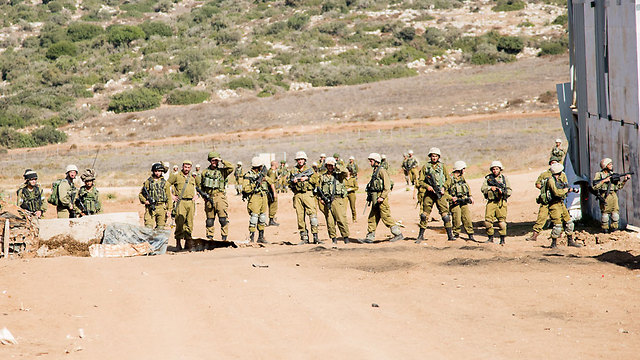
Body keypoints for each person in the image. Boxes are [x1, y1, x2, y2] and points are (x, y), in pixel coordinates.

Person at [362, 153, 403, 243]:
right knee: (372, 217)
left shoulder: (381, 171)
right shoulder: (375, 170)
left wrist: (382, 197)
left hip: (381, 198)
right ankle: (370, 237)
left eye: (371, 161)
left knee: (385, 216)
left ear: (376, 161)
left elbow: (387, 186)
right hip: (375, 198)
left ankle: (398, 234)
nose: (370, 163)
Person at [416, 147, 453, 243]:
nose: (434, 158)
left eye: (436, 156)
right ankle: (420, 235)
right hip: (429, 193)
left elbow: (448, 179)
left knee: (445, 215)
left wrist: (444, 187)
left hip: (440, 193)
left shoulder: (443, 166)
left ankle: (450, 235)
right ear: (430, 156)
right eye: (432, 156)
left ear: (438, 157)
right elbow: (420, 181)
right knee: (424, 215)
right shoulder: (425, 167)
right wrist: (427, 186)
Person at [196, 151, 234, 241]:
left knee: (223, 219)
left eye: (216, 160)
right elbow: (201, 187)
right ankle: (210, 238)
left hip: (220, 197)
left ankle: (224, 238)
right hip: (209, 197)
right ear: (209, 160)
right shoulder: (205, 172)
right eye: (213, 160)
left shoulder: (222, 171)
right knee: (210, 220)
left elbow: (231, 167)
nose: (215, 162)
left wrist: (222, 160)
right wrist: (204, 197)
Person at [527, 157, 564, 241]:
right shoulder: (544, 174)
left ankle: (559, 236)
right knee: (541, 217)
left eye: (555, 163)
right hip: (546, 201)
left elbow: (564, 185)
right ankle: (534, 235)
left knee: (558, 218)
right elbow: (537, 184)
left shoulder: (562, 175)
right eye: (552, 163)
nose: (553, 164)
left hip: (556, 200)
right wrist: (545, 189)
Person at [545, 163, 581, 248]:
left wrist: (569, 189)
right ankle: (553, 243)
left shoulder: (560, 179)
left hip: (561, 203)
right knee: (557, 225)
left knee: (569, 222)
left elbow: (564, 187)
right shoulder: (551, 180)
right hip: (554, 204)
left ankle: (570, 241)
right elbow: (557, 192)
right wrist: (566, 190)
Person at [289, 151, 321, 244]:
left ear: (305, 160)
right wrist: (293, 182)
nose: (300, 161)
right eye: (299, 159)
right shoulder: (293, 171)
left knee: (312, 216)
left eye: (302, 159)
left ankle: (315, 237)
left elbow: (316, 180)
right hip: (298, 194)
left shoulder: (310, 169)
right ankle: (304, 238)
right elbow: (288, 183)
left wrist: (308, 178)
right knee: (300, 217)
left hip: (308, 194)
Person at [592, 158, 631, 233]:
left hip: (613, 195)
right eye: (609, 164)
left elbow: (618, 187)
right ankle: (605, 230)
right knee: (605, 215)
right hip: (605, 196)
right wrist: (604, 181)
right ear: (605, 166)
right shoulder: (599, 175)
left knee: (615, 214)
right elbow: (595, 187)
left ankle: (614, 230)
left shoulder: (613, 175)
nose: (611, 165)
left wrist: (625, 180)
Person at [317, 157, 350, 244]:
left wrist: (337, 166)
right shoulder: (323, 177)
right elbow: (319, 189)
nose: (330, 167)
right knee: (330, 222)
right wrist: (320, 199)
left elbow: (345, 172)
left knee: (341, 219)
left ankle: (346, 238)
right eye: (328, 165)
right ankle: (333, 239)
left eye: (331, 165)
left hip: (337, 199)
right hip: (327, 201)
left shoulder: (339, 175)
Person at [242, 157, 276, 243]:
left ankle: (261, 237)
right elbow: (245, 189)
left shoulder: (262, 174)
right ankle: (251, 238)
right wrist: (255, 184)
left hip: (263, 196)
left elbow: (271, 181)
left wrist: (265, 178)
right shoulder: (248, 175)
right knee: (254, 217)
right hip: (254, 197)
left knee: (262, 217)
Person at [167, 160, 197, 251]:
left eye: (188, 167)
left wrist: (198, 195)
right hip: (181, 202)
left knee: (189, 223)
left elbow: (202, 186)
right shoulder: (176, 176)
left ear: (191, 168)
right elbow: (166, 185)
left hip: (191, 203)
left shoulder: (193, 177)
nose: (187, 169)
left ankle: (188, 243)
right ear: (182, 166)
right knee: (179, 222)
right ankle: (178, 243)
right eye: (185, 167)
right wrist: (171, 196)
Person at [481, 161, 512, 245]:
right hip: (491, 202)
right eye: (493, 169)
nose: (495, 171)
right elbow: (483, 188)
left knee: (502, 222)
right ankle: (490, 237)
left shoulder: (504, 179)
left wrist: (502, 192)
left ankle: (502, 239)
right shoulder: (488, 179)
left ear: (500, 169)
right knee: (487, 221)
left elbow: (509, 191)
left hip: (501, 202)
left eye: (497, 169)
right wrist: (490, 188)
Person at [447, 161, 475, 241]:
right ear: (459, 169)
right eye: (463, 169)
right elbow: (445, 190)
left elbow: (467, 187)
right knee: (456, 218)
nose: (464, 170)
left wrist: (470, 196)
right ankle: (456, 234)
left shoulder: (462, 177)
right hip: (454, 201)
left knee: (467, 218)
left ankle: (470, 234)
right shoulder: (450, 178)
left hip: (463, 200)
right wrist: (451, 198)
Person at [139, 162, 172, 229]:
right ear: (153, 171)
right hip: (150, 208)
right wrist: (145, 201)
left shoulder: (165, 183)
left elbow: (169, 197)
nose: (157, 173)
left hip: (161, 208)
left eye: (159, 171)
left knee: (160, 228)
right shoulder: (148, 182)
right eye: (156, 171)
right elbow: (141, 194)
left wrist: (169, 210)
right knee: (148, 228)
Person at [266, 160, 280, 226]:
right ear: (275, 165)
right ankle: (271, 220)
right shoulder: (273, 172)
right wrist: (274, 192)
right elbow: (271, 182)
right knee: (273, 205)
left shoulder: (270, 171)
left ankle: (271, 219)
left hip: (269, 191)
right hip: (271, 191)